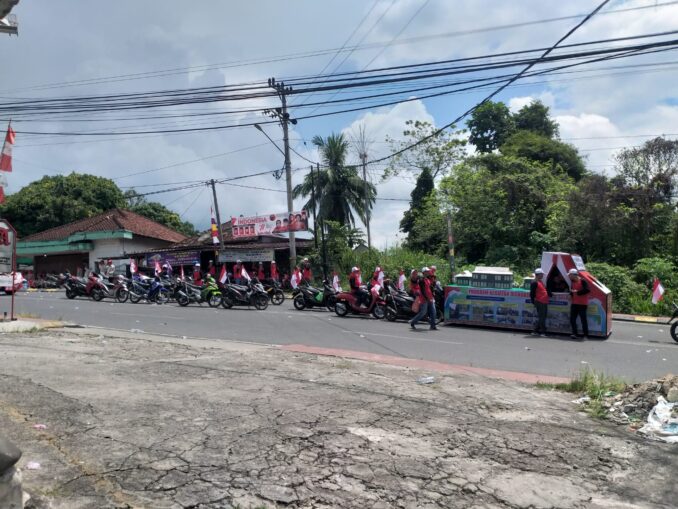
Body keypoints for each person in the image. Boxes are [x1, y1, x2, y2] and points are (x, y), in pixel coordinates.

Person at [568, 268, 590, 339]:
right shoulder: (572, 281)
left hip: (582, 304)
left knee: (583, 319)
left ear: (573, 275)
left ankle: (585, 335)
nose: (569, 276)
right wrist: (570, 294)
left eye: (570, 275)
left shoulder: (583, 281)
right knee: (572, 319)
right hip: (574, 303)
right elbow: (572, 290)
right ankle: (575, 333)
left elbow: (587, 290)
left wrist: (577, 292)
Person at [530, 268, 552, 336]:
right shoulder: (534, 282)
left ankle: (535, 331)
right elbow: (532, 293)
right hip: (540, 301)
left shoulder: (540, 281)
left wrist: (549, 293)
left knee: (542, 317)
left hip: (543, 301)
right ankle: (543, 332)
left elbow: (543, 290)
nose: (542, 275)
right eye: (542, 274)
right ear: (538, 274)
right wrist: (533, 301)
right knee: (542, 317)